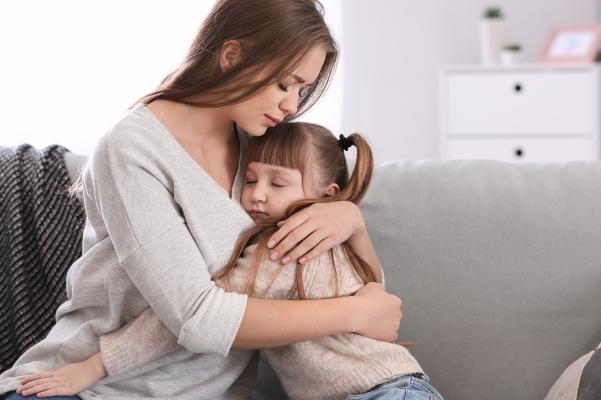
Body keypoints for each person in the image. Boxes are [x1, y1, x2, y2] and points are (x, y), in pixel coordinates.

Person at [0, 1, 402, 399]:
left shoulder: (262, 151)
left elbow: (348, 285)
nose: (292, 105)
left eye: (302, 89)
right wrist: (355, 315)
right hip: (89, 386)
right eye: (284, 84)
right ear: (231, 56)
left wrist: (352, 220)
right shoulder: (133, 147)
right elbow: (200, 320)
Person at [17, 122, 444, 400]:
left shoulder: (281, 248)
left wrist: (96, 365)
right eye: (252, 179)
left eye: (277, 183)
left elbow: (184, 318)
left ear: (327, 193)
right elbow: (372, 293)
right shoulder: (327, 233)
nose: (257, 194)